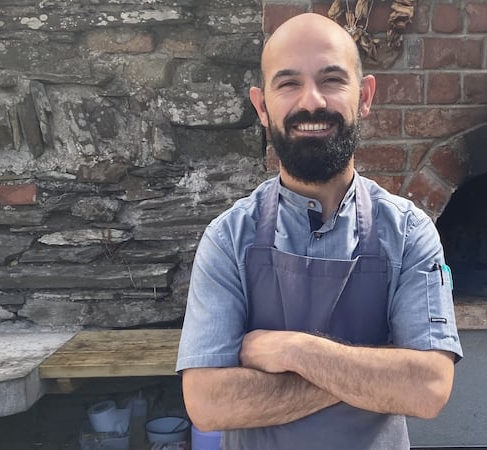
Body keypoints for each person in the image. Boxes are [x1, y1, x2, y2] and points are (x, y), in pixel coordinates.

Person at [177, 12, 463, 450]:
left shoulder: (408, 233)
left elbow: (428, 390)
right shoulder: (228, 238)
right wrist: (376, 374)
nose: (311, 101)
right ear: (261, 106)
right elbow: (208, 403)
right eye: (288, 83)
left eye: (332, 79)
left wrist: (294, 352)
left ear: (364, 96)